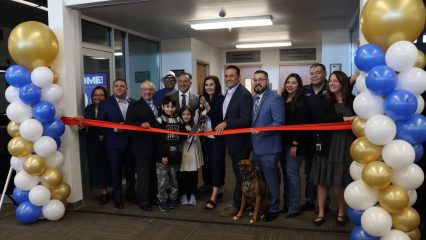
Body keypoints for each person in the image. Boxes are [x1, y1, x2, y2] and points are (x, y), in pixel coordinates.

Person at [310, 71, 356, 226]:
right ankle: (321, 212)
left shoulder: (353, 101)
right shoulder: (325, 101)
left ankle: (341, 210)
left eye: (335, 81)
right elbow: (321, 119)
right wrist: (345, 119)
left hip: (345, 146)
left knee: (339, 184)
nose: (331, 83)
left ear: (343, 83)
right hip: (326, 146)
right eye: (330, 81)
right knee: (321, 182)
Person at [216, 65, 253, 216]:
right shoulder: (229, 93)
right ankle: (243, 202)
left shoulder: (243, 94)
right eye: (226, 76)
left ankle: (237, 205)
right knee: (238, 174)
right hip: (231, 141)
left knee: (239, 175)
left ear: (238, 77)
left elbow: (246, 120)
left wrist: (227, 123)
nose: (228, 78)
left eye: (232, 75)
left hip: (240, 142)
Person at [250, 70, 284, 222]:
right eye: (255, 80)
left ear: (267, 81)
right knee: (261, 181)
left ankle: (274, 208)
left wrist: (263, 131)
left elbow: (279, 123)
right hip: (256, 148)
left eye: (261, 79)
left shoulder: (275, 98)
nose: (258, 82)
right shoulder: (252, 99)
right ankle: (263, 206)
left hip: (269, 148)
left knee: (272, 181)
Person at [98, 79, 136, 209]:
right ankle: (118, 197)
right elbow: (100, 125)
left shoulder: (134, 103)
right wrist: (115, 129)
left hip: (131, 144)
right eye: (116, 86)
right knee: (116, 172)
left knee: (131, 172)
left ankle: (131, 194)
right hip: (114, 145)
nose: (119, 88)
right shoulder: (105, 104)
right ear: (113, 89)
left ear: (126, 88)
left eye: (122, 86)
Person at [125, 80, 160, 212]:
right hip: (141, 147)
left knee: (154, 175)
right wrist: (140, 124)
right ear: (141, 91)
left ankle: (153, 197)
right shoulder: (135, 105)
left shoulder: (157, 104)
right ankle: (143, 201)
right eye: (145, 89)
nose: (148, 92)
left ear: (154, 91)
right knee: (143, 176)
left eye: (150, 90)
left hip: (155, 146)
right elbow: (128, 122)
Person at [281, 73, 310, 218]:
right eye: (288, 82)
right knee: (286, 175)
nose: (290, 85)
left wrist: (295, 144)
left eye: (294, 82)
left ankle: (294, 208)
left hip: (296, 145)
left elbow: (301, 125)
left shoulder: (302, 101)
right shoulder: (283, 99)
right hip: (284, 143)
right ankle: (286, 205)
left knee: (292, 175)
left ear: (299, 85)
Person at [302, 63, 328, 211]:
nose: (314, 75)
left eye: (318, 72)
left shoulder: (330, 88)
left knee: (325, 170)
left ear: (324, 74)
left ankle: (325, 202)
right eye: (312, 73)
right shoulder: (304, 90)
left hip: (327, 137)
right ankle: (310, 200)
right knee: (309, 170)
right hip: (309, 138)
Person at [81, 86, 111, 205]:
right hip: (93, 141)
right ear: (92, 97)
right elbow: (84, 125)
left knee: (106, 165)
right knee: (96, 165)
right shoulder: (88, 108)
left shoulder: (109, 108)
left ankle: (105, 191)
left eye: (101, 95)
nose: (98, 97)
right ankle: (100, 189)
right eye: (95, 95)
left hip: (108, 140)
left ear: (105, 97)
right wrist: (81, 122)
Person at [200, 76, 226, 210]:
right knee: (211, 165)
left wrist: (206, 105)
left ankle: (214, 196)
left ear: (216, 86)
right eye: (206, 85)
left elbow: (216, 116)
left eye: (211, 85)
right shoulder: (204, 99)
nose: (208, 87)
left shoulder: (220, 99)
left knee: (217, 165)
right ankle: (218, 189)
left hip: (218, 139)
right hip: (207, 139)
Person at [156, 95, 185, 211]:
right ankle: (162, 200)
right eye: (167, 106)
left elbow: (183, 136)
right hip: (163, 157)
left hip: (176, 156)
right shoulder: (159, 120)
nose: (170, 109)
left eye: (172, 106)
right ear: (163, 107)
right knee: (162, 181)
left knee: (174, 179)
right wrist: (162, 155)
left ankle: (173, 198)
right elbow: (158, 140)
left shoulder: (179, 120)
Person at [180, 106, 204, 206]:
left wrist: (198, 132)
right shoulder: (180, 126)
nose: (186, 116)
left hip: (193, 154)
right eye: (184, 114)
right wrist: (195, 134)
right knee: (183, 176)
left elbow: (195, 140)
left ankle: (193, 194)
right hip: (183, 154)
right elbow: (186, 139)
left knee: (193, 175)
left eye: (188, 114)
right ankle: (184, 194)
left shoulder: (194, 125)